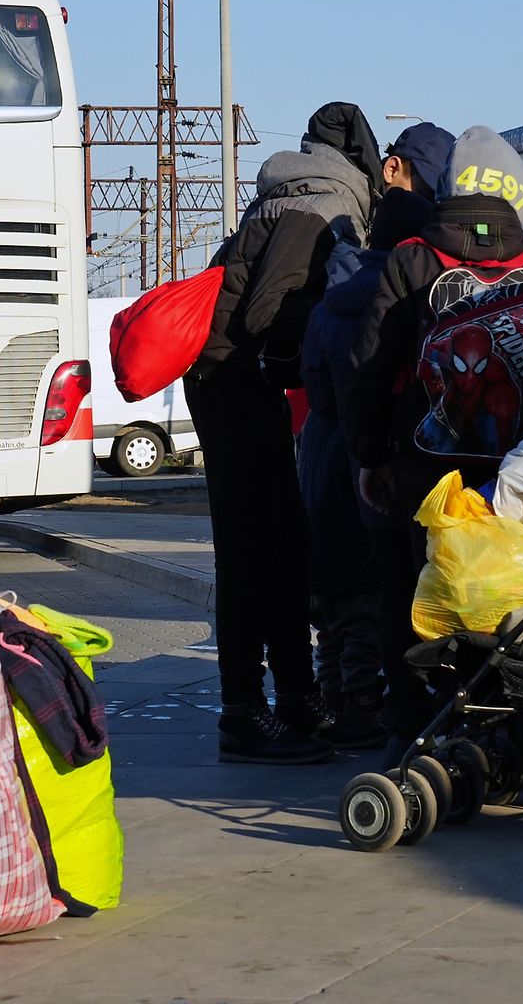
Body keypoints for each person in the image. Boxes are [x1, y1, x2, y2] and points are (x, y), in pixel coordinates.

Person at [345, 126, 523, 754]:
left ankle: (415, 730)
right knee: (508, 596)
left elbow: (371, 370)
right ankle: (505, 729)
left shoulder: (411, 261)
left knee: (410, 596)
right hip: (517, 476)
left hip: (423, 472)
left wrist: (368, 457)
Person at [188, 102, 383, 764]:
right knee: (251, 556)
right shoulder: (315, 209)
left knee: (288, 549)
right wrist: (329, 346)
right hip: (231, 384)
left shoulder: (292, 195)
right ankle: (242, 714)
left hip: (237, 384)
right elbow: (267, 310)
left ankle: (297, 699)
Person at [300, 142, 447, 750]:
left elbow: (310, 381)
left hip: (320, 453)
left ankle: (334, 697)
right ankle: (364, 707)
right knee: (376, 594)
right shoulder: (411, 299)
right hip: (375, 459)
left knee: (333, 599)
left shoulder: (331, 302)